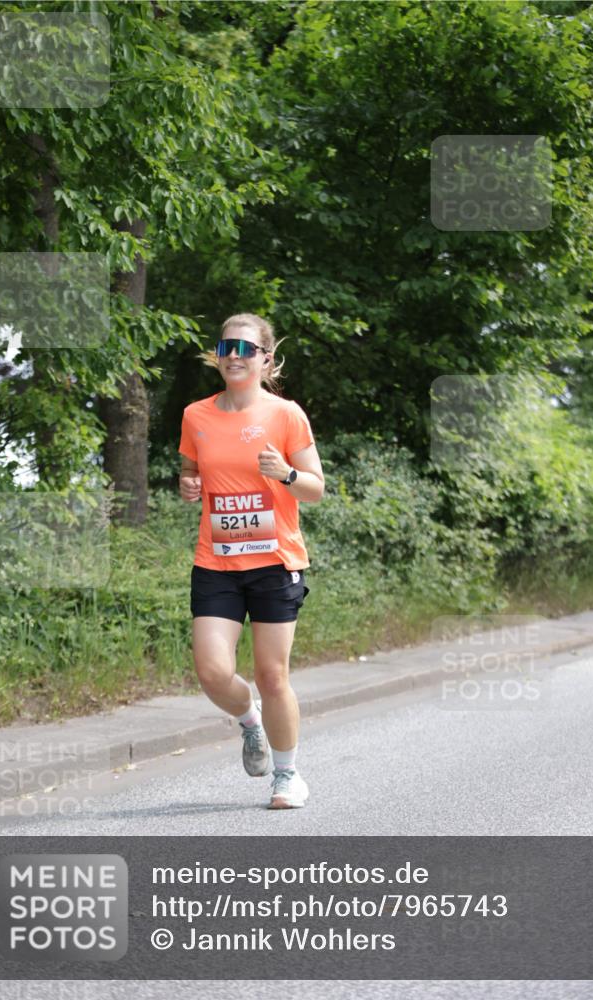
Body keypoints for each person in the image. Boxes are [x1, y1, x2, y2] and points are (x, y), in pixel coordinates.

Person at [178, 313, 324, 809]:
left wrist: (285, 474)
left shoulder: (286, 414)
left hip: (275, 561)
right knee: (213, 672)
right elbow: (190, 475)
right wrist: (188, 486)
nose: (235, 356)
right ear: (217, 356)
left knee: (271, 675)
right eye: (227, 347)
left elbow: (316, 489)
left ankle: (288, 777)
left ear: (265, 358)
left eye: (245, 348)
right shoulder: (196, 415)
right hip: (216, 561)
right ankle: (250, 722)